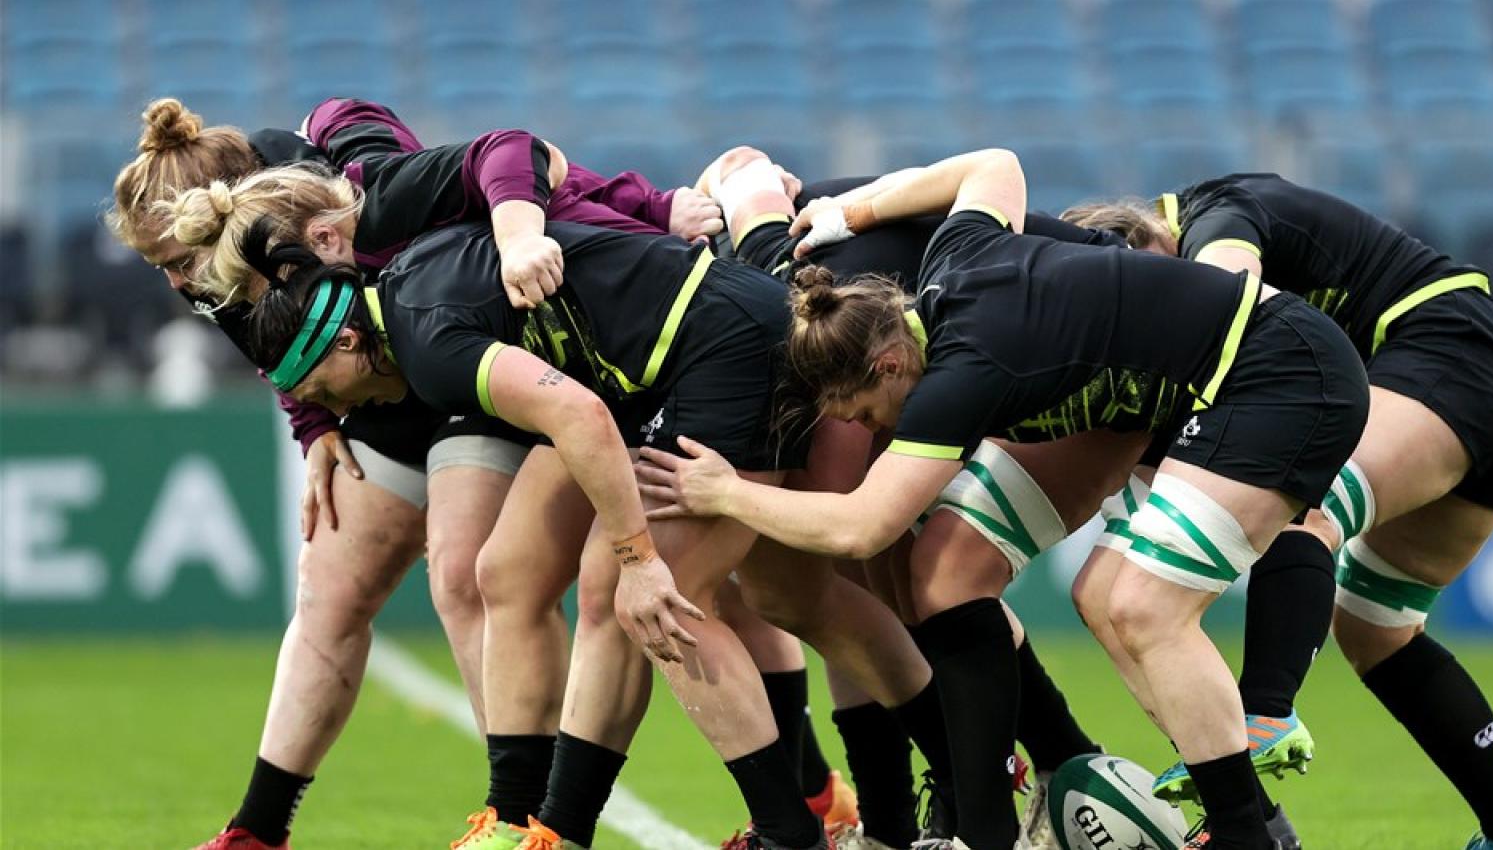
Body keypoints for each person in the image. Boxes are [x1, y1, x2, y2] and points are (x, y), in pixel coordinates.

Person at [185, 160, 950, 849]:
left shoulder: (426, 345)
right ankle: (546, 829)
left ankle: (793, 833)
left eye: (324, 393)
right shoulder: (406, 290)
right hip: (659, 370)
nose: (338, 412)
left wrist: (641, 559)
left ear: (347, 345)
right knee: (511, 569)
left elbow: (577, 413)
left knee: (663, 601)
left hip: (723, 349)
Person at [638, 149, 1370, 850]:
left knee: (1141, 606)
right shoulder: (950, 270)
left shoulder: (963, 372)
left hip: (1276, 371)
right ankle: (990, 827)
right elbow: (995, 166)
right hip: (1160, 391)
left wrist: (727, 492)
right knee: (974, 577)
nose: (863, 427)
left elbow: (860, 528)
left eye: (858, 408)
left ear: (889, 362)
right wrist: (855, 213)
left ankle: (1246, 830)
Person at [104, 97, 726, 850]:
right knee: (329, 586)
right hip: (380, 393)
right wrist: (316, 426)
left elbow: (523, 164)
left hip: (471, 363)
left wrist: (651, 206)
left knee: (468, 574)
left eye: (176, 263)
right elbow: (272, 348)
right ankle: (257, 832)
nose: (177, 284)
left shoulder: (355, 175)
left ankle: (524, 819)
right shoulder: (222, 270)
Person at [1065, 175, 1493, 850]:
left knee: (1304, 496)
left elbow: (1224, 308)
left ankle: (1264, 713)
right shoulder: (1205, 230)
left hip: (1450, 346)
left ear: (1155, 238)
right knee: (1376, 627)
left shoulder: (1216, 217)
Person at [722, 164, 1138, 849]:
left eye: (845, 407)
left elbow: (744, 170)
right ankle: (969, 796)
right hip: (1007, 339)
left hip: (1092, 361)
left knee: (937, 575)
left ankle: (997, 794)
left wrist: (853, 210)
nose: (844, 417)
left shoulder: (798, 308)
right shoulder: (790, 292)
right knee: (877, 585)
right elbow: (741, 175)